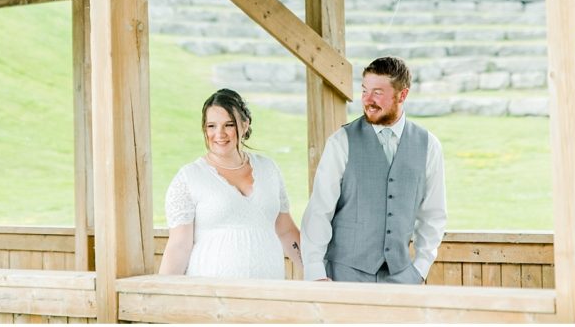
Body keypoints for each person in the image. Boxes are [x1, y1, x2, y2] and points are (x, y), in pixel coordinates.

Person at [300, 56, 446, 283]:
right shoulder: (341, 142)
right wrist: (315, 271)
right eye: (364, 90)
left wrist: (420, 268)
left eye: (377, 92)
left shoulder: (428, 145)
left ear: (403, 95)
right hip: (343, 276)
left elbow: (433, 215)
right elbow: (320, 210)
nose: (367, 100)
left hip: (402, 278)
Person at [159, 88, 303, 279]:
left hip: (269, 293)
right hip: (212, 296)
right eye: (211, 126)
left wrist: (316, 272)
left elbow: (286, 231)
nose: (219, 134)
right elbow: (179, 246)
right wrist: (162, 295)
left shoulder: (269, 169)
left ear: (244, 125)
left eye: (228, 125)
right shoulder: (189, 178)